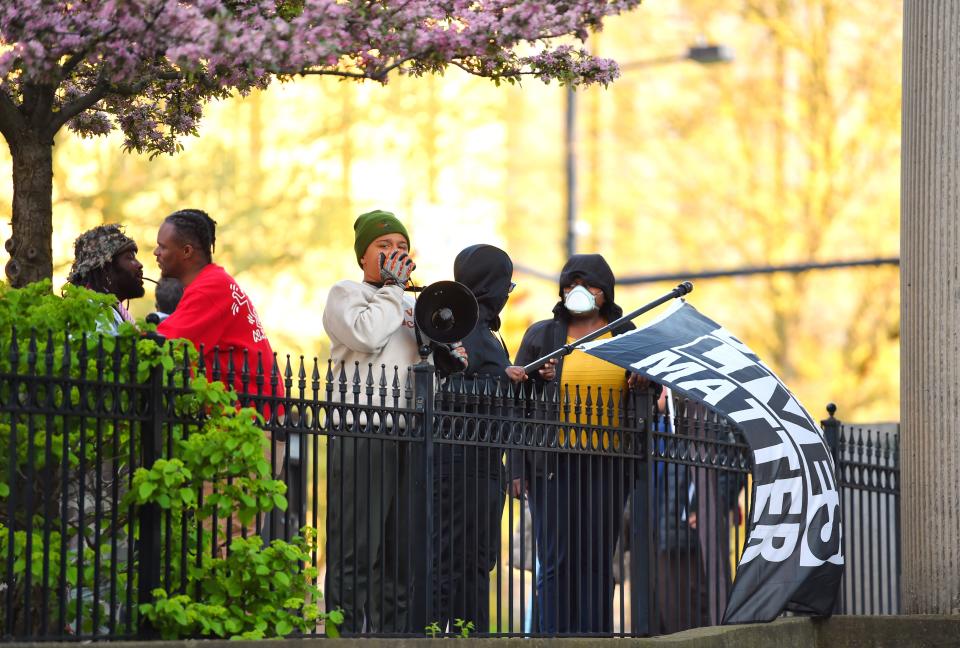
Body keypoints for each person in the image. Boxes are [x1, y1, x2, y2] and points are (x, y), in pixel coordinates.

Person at [322, 209, 446, 634]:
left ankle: (392, 638)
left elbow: (423, 368)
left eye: (402, 248)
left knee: (398, 556)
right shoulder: (346, 293)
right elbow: (367, 335)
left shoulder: (412, 304)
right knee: (356, 550)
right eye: (384, 247)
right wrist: (394, 291)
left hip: (407, 433)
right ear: (363, 257)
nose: (395, 254)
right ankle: (343, 636)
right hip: (361, 430)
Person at [511, 253, 641, 635]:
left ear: (605, 292)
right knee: (556, 560)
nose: (578, 293)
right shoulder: (543, 335)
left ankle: (595, 637)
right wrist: (517, 468)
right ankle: (552, 637)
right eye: (570, 287)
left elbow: (644, 399)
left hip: (608, 464)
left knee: (598, 561)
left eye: (589, 286)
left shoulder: (625, 333)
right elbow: (516, 404)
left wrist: (643, 386)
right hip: (553, 464)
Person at [430, 244, 526, 634]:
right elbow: (447, 386)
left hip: (487, 463)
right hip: (459, 463)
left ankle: (475, 636)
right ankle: (443, 634)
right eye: (506, 284)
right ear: (491, 283)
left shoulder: (487, 331)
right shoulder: (458, 325)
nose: (508, 293)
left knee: (478, 559)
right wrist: (502, 379)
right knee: (454, 559)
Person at [154, 209, 279, 402]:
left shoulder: (208, 290)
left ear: (186, 251)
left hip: (254, 414)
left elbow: (164, 344)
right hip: (258, 406)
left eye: (162, 247)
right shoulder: (214, 281)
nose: (156, 253)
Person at [67, 224, 145, 333]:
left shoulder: (109, 309)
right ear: (106, 270)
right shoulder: (93, 311)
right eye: (130, 258)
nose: (140, 265)